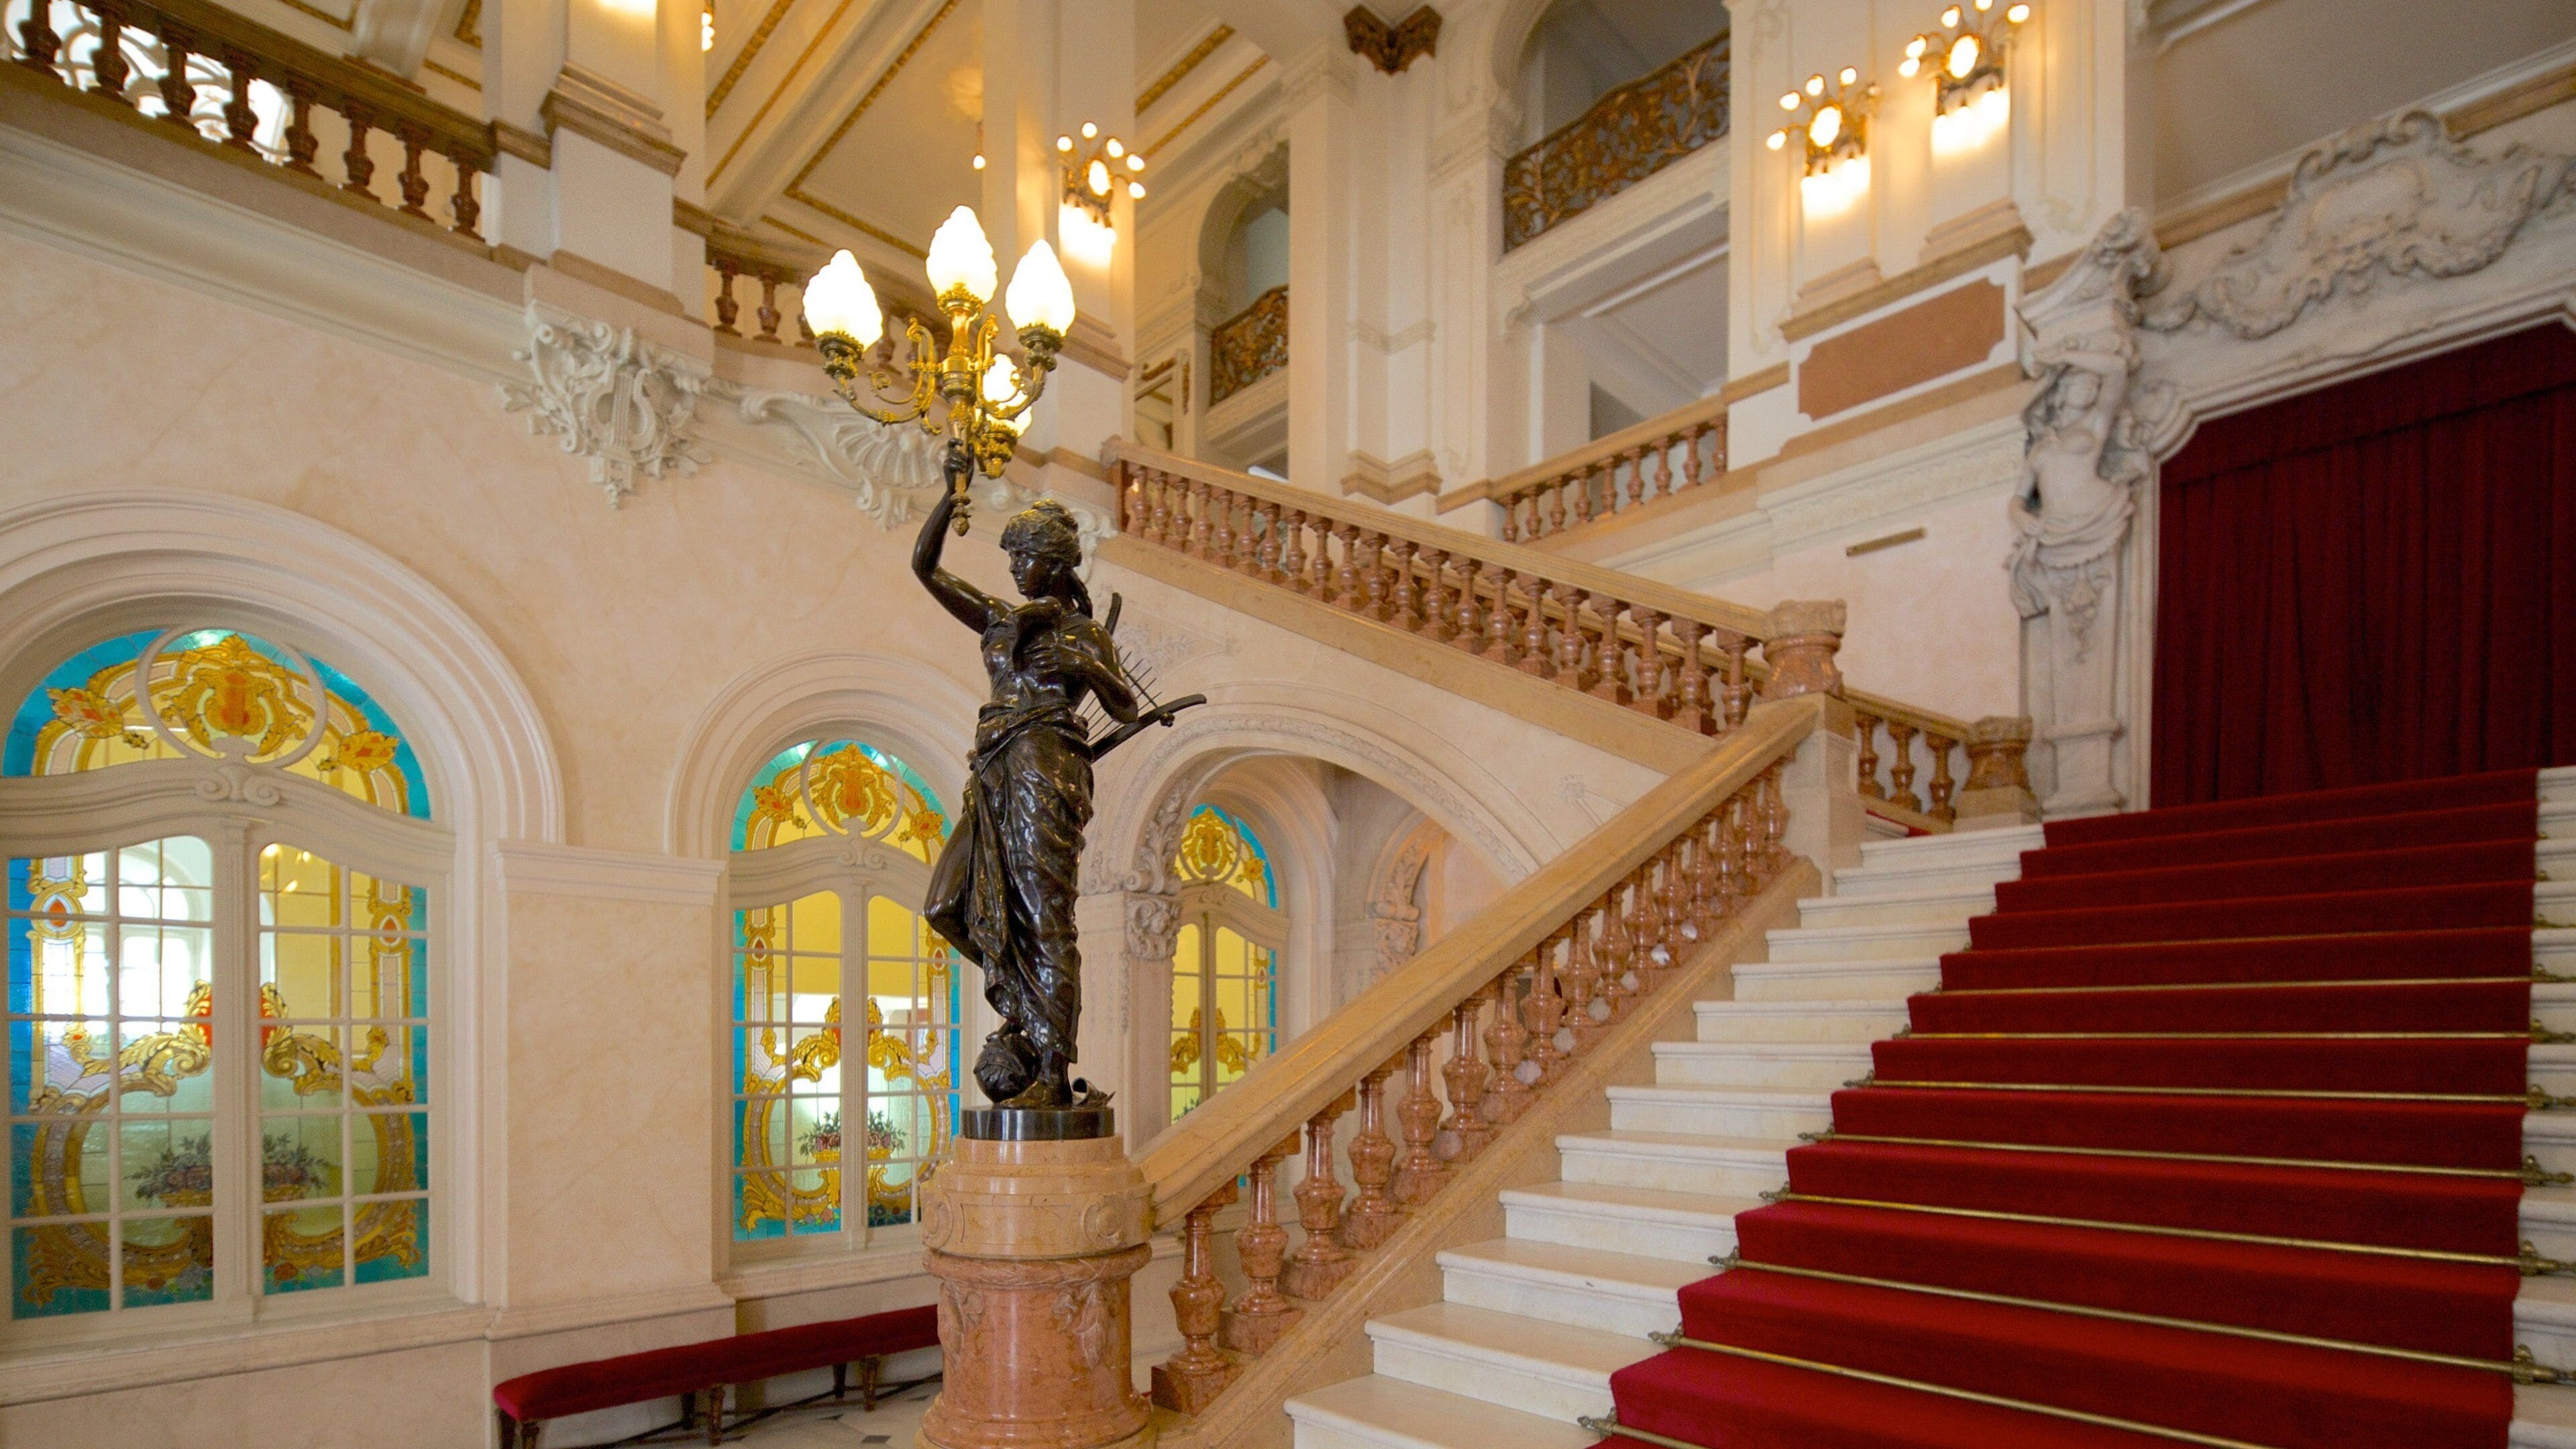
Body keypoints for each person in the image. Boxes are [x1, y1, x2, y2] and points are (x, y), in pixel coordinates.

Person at [915, 474, 1142, 1110]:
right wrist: (945, 501)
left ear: (1058, 562)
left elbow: (1124, 708)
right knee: (945, 906)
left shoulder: (1082, 636)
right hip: (991, 771)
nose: (1015, 568)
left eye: (1025, 557)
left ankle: (1049, 1066)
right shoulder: (999, 619)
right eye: (1011, 556)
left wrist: (1087, 664)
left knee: (1047, 919)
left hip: (1047, 767)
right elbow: (925, 569)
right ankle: (1019, 1001)